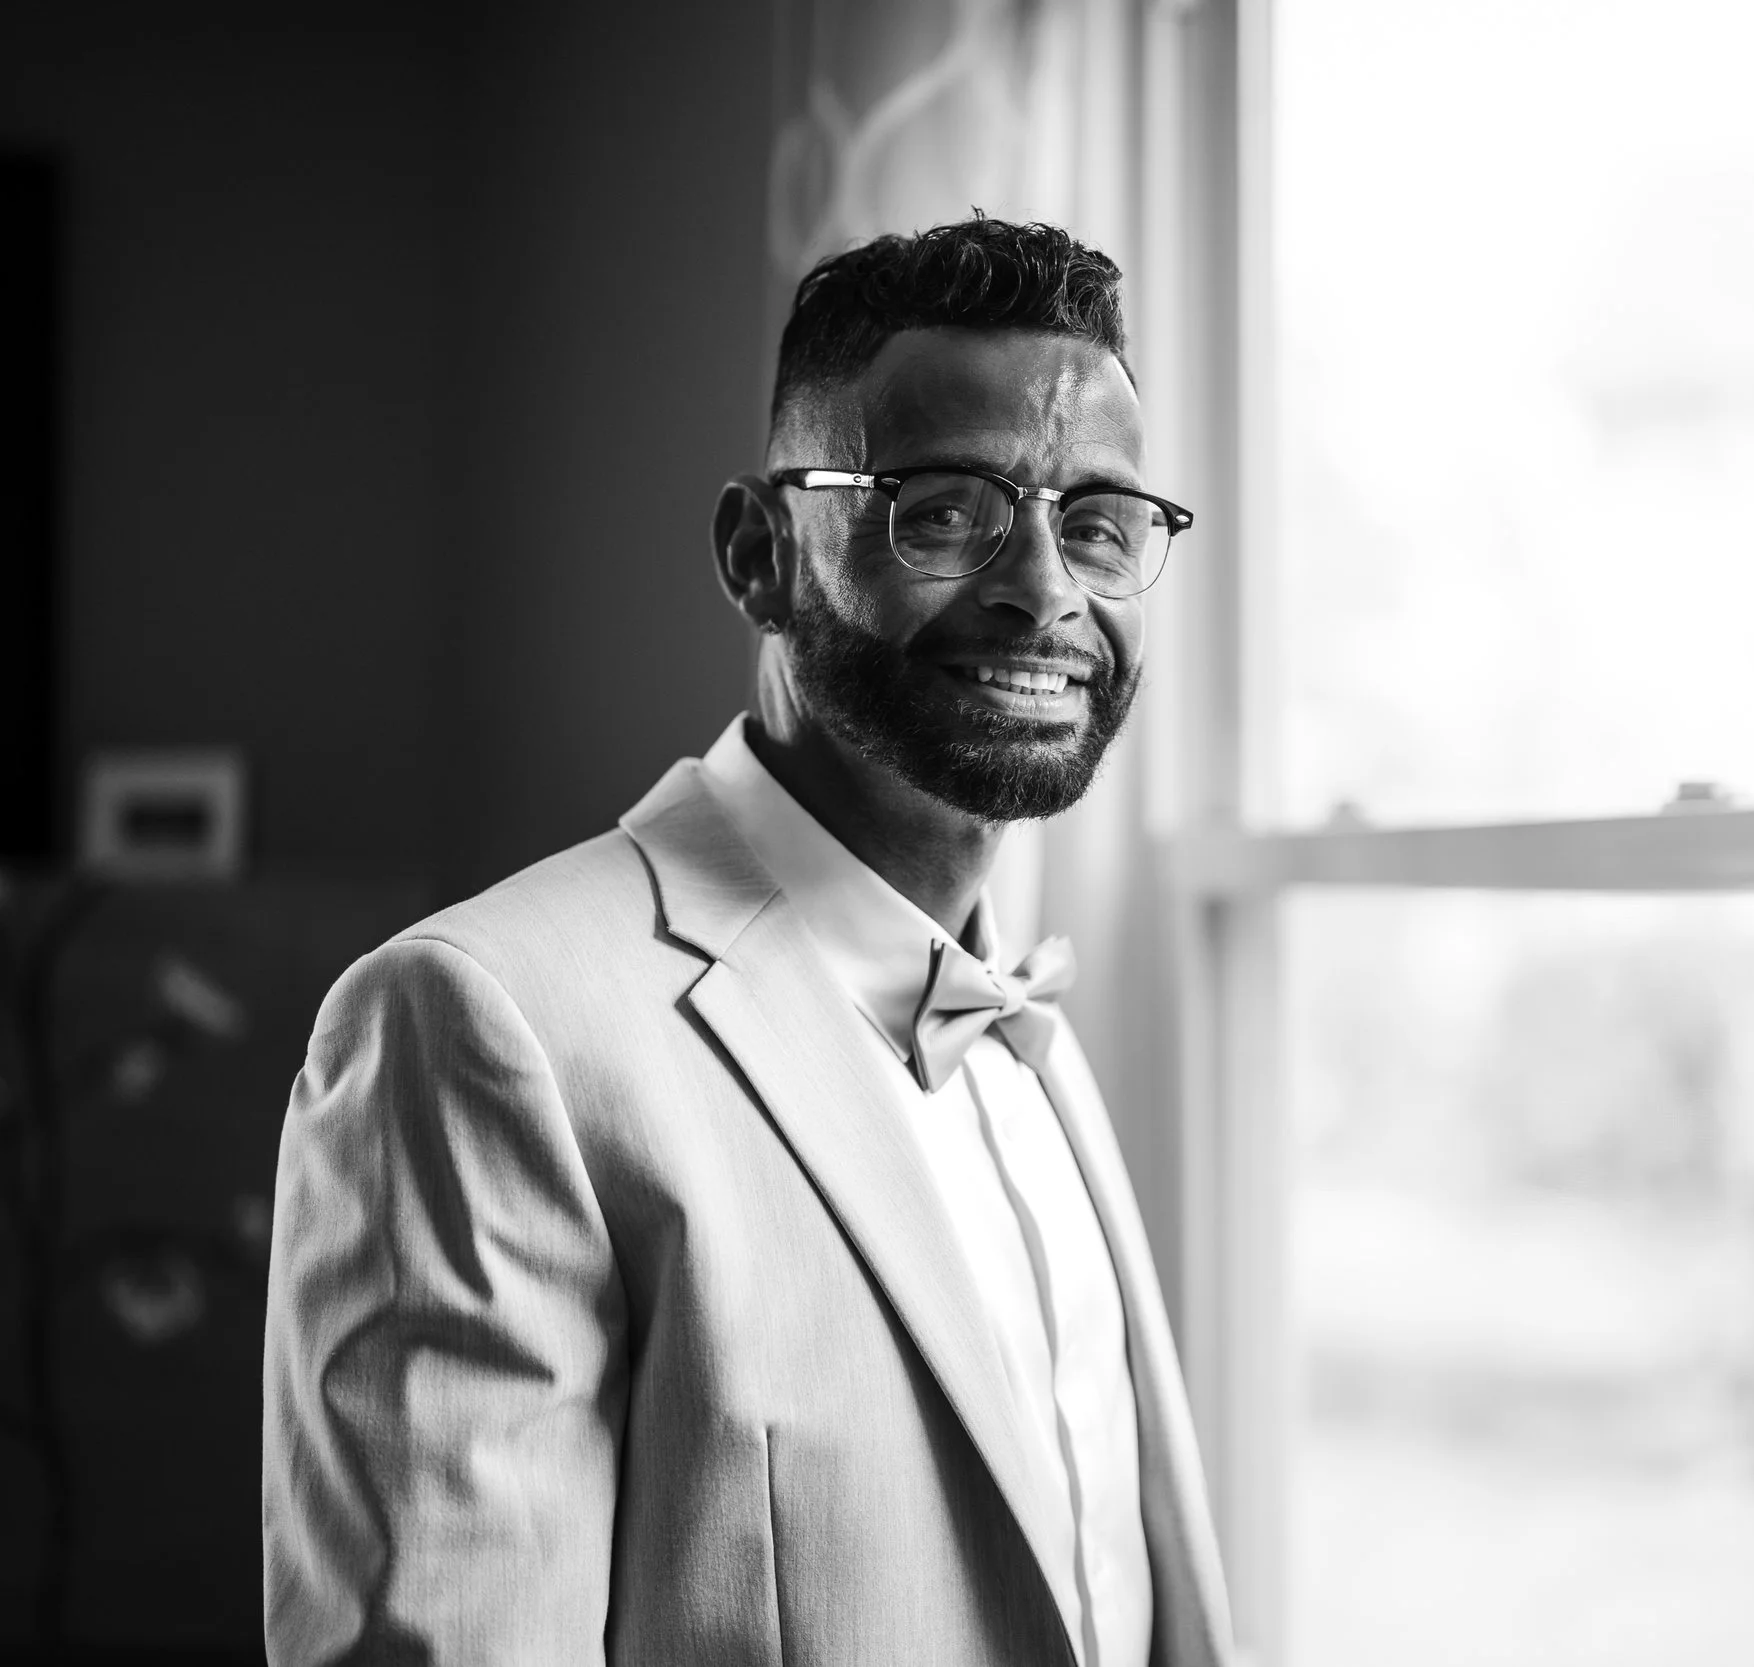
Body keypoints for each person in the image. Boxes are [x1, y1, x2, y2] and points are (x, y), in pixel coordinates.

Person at [261, 217, 1233, 1667]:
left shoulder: (1025, 1036)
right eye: (948, 509)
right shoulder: (477, 1022)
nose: (1044, 588)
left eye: (1097, 521)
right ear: (761, 554)